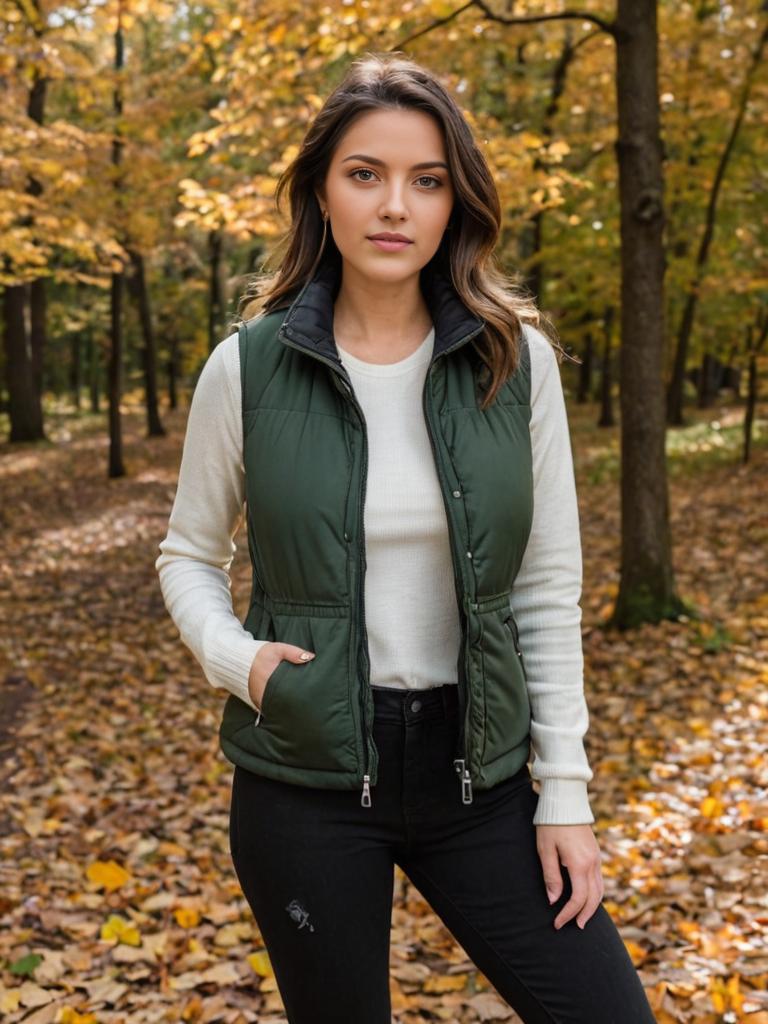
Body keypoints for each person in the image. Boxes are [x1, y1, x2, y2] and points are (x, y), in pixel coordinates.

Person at [156, 51, 657, 1024]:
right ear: (323, 193)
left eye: (426, 180)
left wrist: (566, 794)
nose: (396, 205)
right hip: (306, 778)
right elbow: (189, 554)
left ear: (455, 202)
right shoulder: (247, 367)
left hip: (483, 770)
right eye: (365, 174)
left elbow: (546, 587)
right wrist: (240, 661)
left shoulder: (518, 361)